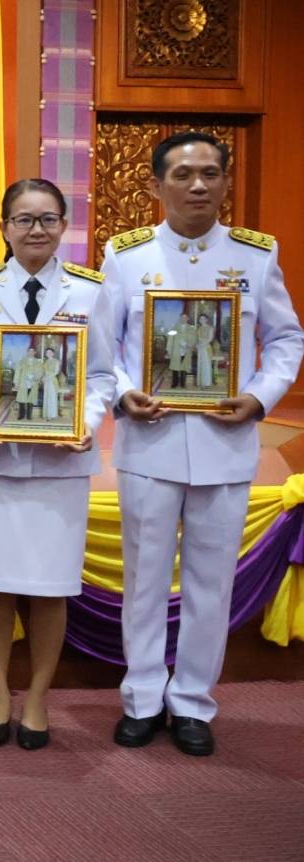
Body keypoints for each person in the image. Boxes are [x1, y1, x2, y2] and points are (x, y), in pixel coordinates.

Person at [102, 132, 302, 756]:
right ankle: (141, 698)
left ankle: (191, 702)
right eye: (183, 175)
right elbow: (103, 347)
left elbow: (287, 339)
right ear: (155, 185)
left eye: (210, 174)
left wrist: (260, 398)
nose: (198, 186)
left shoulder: (255, 256)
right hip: (149, 442)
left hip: (225, 444)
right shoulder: (126, 256)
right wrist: (124, 393)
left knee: (211, 584)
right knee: (145, 579)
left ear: (226, 182)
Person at [0, 178, 116, 750]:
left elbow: (102, 374)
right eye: (23, 219)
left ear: (64, 225)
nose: (36, 230)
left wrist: (85, 421)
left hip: (61, 465)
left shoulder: (91, 292)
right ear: (4, 227)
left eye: (47, 219)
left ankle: (39, 697)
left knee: (51, 588)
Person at [167, 313, 194, 389]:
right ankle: (174, 383)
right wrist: (169, 349)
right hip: (176, 350)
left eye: (185, 317)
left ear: (188, 319)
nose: (184, 319)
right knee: (175, 367)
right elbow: (170, 339)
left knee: (184, 367)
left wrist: (187, 343)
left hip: (186, 349)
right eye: (182, 317)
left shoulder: (191, 328)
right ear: (180, 318)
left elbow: (193, 338)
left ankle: (183, 383)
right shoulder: (175, 327)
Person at [15, 347, 42, 422]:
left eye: (32, 351)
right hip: (23, 382)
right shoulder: (22, 361)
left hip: (33, 383)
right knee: (22, 399)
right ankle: (21, 415)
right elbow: (17, 372)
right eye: (29, 351)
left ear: (35, 353)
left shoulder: (38, 362)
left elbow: (40, 372)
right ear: (27, 352)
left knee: (31, 399)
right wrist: (16, 382)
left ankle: (29, 415)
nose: (31, 353)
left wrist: (34, 377)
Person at [194, 311, 218, 390]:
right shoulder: (199, 329)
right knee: (200, 365)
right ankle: (200, 382)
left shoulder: (210, 328)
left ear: (206, 319)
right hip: (200, 348)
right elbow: (197, 339)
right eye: (200, 319)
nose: (202, 320)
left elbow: (210, 339)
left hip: (206, 348)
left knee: (206, 365)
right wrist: (197, 345)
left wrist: (201, 345)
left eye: (203, 319)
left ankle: (206, 383)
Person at [41, 345, 63, 421]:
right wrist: (43, 378)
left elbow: (56, 372)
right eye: (47, 352)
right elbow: (43, 372)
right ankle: (46, 414)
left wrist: (47, 377)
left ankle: (52, 415)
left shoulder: (56, 361)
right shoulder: (45, 362)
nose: (48, 353)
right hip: (46, 381)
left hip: (52, 380)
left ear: (53, 353)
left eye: (50, 352)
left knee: (52, 397)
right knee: (46, 397)